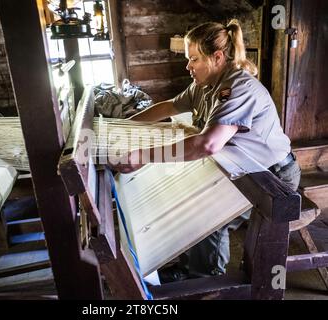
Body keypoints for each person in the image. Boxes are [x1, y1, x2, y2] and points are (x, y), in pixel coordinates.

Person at [110, 20, 301, 281]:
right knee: (182, 201)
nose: (188, 66)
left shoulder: (238, 88)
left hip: (272, 178)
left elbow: (208, 143)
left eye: (194, 59)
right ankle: (187, 268)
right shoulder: (203, 86)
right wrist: (122, 127)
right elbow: (166, 108)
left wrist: (144, 156)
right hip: (238, 167)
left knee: (207, 221)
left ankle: (205, 283)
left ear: (217, 57)